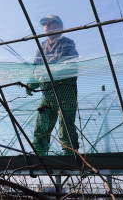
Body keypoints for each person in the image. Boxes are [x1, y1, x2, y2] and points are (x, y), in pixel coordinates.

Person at [27, 15, 79, 156]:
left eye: (51, 24)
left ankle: (69, 151)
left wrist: (48, 70)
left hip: (65, 89)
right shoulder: (41, 46)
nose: (47, 26)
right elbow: (36, 67)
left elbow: (69, 63)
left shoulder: (67, 43)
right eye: (45, 24)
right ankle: (40, 151)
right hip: (48, 91)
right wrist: (31, 83)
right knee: (42, 120)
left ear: (60, 28)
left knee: (66, 121)